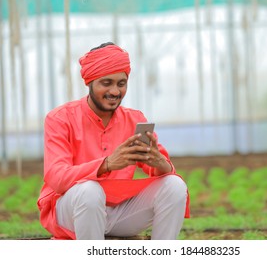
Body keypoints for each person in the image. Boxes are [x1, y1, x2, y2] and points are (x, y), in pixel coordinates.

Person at [37, 42, 190, 240]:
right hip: (71, 211)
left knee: (175, 186)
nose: (116, 92)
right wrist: (106, 164)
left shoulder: (135, 119)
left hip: (119, 213)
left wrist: (160, 163)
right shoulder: (60, 118)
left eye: (121, 83)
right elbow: (56, 178)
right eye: (106, 83)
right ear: (90, 82)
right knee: (90, 191)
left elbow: (162, 173)